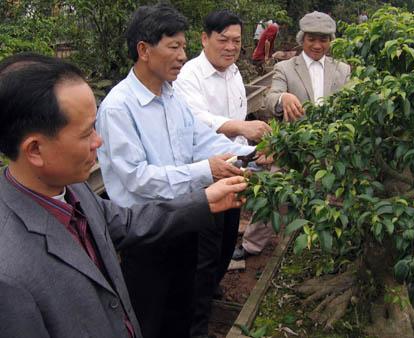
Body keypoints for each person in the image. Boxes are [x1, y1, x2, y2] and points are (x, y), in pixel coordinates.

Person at [0, 53, 248, 338]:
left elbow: (126, 222)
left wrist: (205, 201)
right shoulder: (9, 275)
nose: (99, 140)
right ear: (34, 150)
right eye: (85, 134)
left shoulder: (71, 189)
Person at [95, 4, 258, 338]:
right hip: (147, 234)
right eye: (174, 46)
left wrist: (251, 154)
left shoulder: (172, 97)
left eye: (184, 47)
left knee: (183, 309)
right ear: (144, 50)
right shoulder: (118, 108)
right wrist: (205, 172)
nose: (184, 55)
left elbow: (202, 142)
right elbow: (136, 180)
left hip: (185, 220)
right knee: (150, 317)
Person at [173, 9, 272, 334]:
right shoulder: (190, 75)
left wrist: (255, 154)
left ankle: (211, 288)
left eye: (237, 41)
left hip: (234, 168)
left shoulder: (233, 74)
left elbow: (241, 130)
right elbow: (195, 119)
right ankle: (196, 322)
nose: (230, 47)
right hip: (205, 174)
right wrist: (241, 128)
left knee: (229, 236)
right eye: (223, 40)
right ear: (205, 39)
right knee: (205, 247)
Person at [265, 11, 351, 122]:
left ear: (331, 41)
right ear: (302, 40)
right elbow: (270, 99)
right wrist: (283, 98)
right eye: (311, 39)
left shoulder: (343, 70)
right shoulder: (284, 68)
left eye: (323, 40)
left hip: (333, 137)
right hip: (297, 137)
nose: (317, 45)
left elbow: (350, 104)